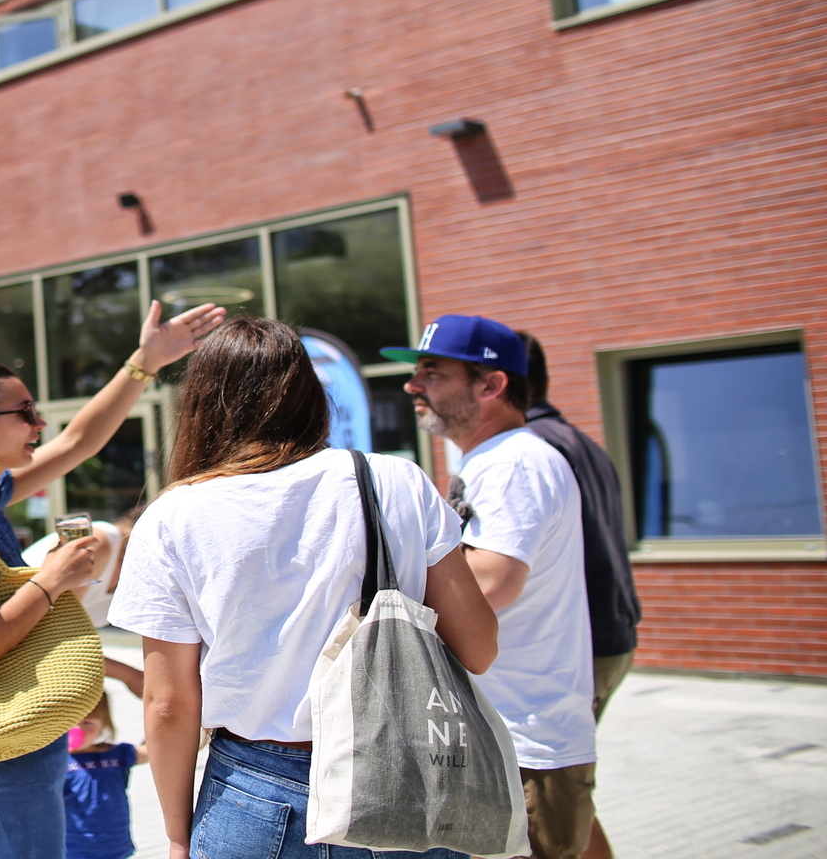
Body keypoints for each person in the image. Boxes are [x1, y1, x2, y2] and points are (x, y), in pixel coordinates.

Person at [113, 316, 497, 859]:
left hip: (253, 789)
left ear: (199, 407)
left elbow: (170, 703)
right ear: (310, 396)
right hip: (405, 773)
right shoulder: (393, 481)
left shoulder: (173, 516)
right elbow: (478, 649)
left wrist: (178, 835)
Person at [0, 297, 224, 859]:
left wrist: (145, 363)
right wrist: (50, 581)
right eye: (25, 411)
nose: (39, 423)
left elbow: (78, 443)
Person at [384, 315, 595, 859]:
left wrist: (386, 581)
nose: (412, 385)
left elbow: (490, 583)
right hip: (502, 733)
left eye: (432, 372)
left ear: (491, 384)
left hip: (526, 742)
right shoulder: (492, 460)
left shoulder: (515, 463)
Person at [517, 331, 642, 859]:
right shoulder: (577, 438)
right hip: (611, 634)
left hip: (579, 644)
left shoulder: (526, 450)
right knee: (563, 795)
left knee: (554, 799)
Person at [22, 514, 144, 696]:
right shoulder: (97, 543)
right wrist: (130, 676)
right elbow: (48, 637)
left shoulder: (136, 576)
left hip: (42, 671)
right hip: (12, 662)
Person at [62, 693, 146, 859]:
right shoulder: (54, 762)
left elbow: (154, 750)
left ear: (104, 724)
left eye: (87, 722)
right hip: (71, 850)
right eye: (70, 723)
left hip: (115, 846)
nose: (78, 729)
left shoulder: (116, 754)